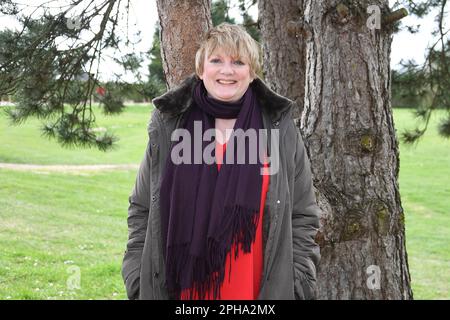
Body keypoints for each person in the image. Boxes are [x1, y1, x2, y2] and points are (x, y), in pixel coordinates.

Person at [121, 23, 321, 300]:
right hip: (183, 294)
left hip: (255, 293)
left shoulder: (277, 128)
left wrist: (298, 283)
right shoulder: (170, 125)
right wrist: (137, 277)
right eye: (216, 60)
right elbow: (142, 207)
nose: (227, 70)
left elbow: (303, 215)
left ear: (251, 73)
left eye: (238, 62)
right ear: (202, 69)